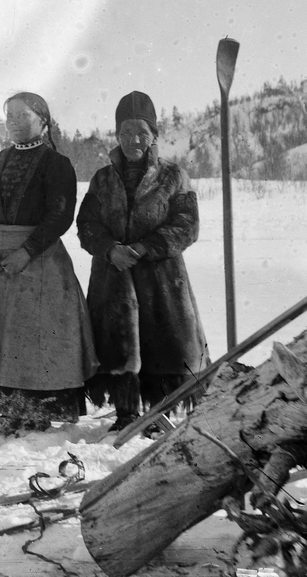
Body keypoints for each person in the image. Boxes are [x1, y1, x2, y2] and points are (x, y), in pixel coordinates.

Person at [0, 92, 97, 439]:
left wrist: (27, 251)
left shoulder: (57, 164)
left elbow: (60, 215)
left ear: (43, 120)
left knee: (34, 340)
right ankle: (9, 413)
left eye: (22, 115)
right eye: (9, 115)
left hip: (40, 262)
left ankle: (37, 415)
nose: (13, 122)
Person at [76, 90, 207, 434]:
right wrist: (110, 249)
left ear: (154, 135)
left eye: (141, 132)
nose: (133, 139)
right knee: (116, 346)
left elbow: (187, 225)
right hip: (112, 276)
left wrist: (146, 247)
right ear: (117, 135)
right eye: (126, 132)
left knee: (164, 344)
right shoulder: (102, 179)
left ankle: (159, 413)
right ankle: (125, 413)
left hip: (161, 278)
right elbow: (86, 224)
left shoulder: (173, 176)